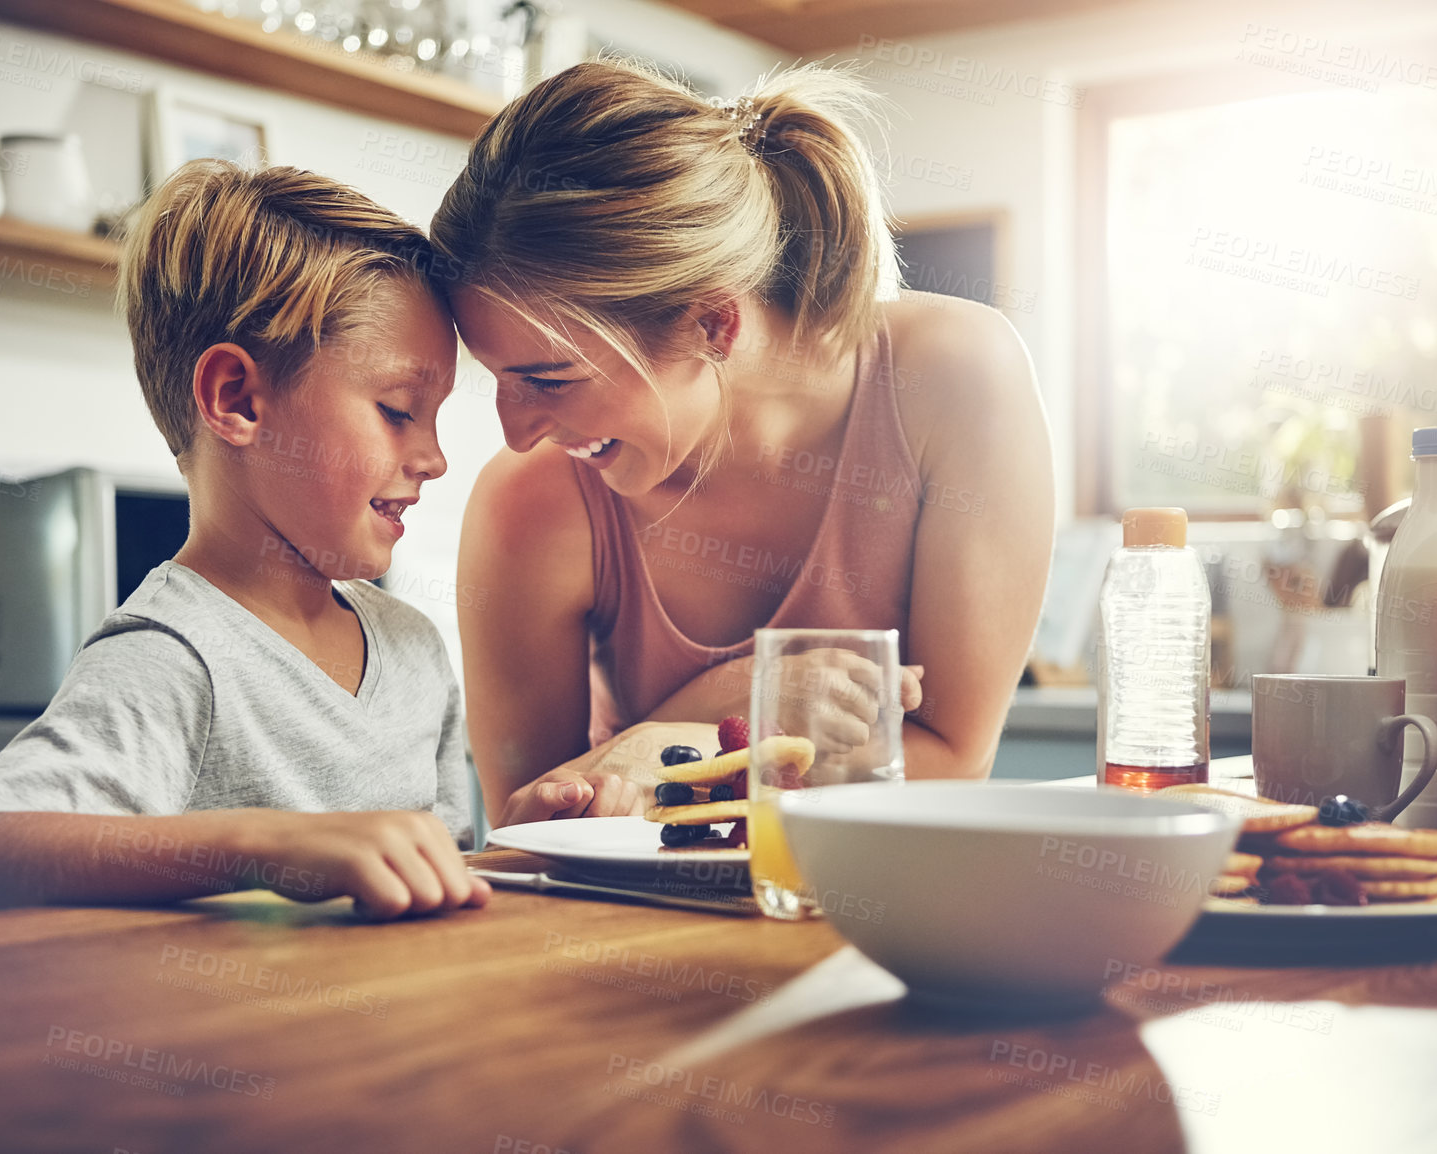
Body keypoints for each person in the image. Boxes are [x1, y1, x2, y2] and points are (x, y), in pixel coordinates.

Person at [0, 160, 634, 922]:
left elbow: (434, 890)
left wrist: (526, 843)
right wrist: (262, 844)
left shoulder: (412, 648)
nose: (435, 458)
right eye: (397, 409)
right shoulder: (172, 655)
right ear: (237, 399)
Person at [432, 61, 1055, 823]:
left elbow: (950, 766)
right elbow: (531, 828)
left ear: (711, 324)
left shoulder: (955, 379)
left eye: (551, 379)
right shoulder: (531, 498)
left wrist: (654, 754)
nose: (516, 432)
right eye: (495, 377)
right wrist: (742, 698)